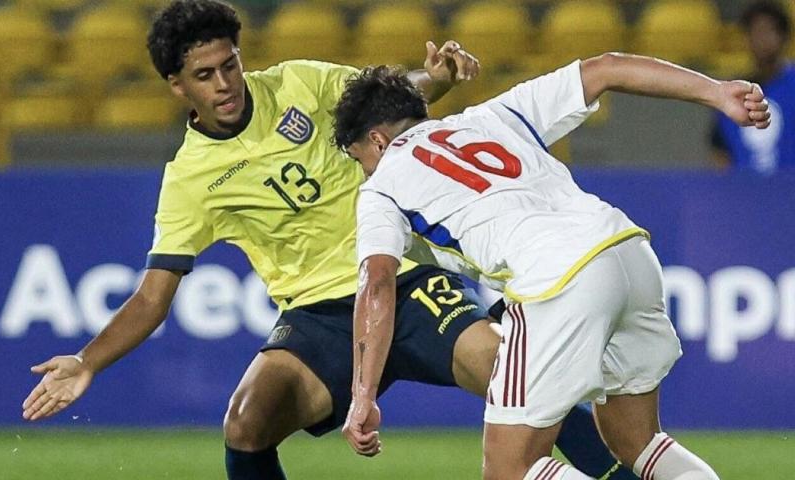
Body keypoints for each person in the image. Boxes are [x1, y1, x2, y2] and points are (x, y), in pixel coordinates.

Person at [20, 1, 639, 479]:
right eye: (204, 75)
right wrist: (88, 361)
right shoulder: (189, 181)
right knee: (246, 423)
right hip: (318, 316)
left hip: (405, 280)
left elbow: (387, 105)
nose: (225, 83)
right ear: (177, 86)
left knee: (519, 380)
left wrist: (435, 77)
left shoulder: (298, 83)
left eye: (230, 64)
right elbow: (152, 297)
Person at [333, 53, 770, 479]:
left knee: (510, 468)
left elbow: (377, 283)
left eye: (359, 159)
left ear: (377, 141)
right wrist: (716, 92)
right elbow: (606, 68)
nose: (365, 172)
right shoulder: (493, 116)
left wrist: (362, 396)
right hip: (627, 251)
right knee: (637, 441)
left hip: (557, 280)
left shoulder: (381, 188)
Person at [711, 0, 794, 174]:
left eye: (768, 31)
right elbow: (721, 152)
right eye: (755, 32)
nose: (761, 40)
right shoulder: (734, 92)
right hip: (745, 189)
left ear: (783, 36)